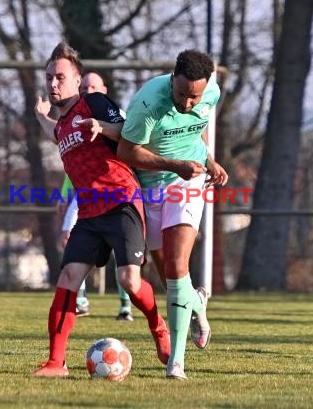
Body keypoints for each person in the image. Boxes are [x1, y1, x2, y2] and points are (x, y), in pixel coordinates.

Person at [32, 42, 170, 377]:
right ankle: (56, 362)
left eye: (60, 77)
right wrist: (40, 115)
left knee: (129, 280)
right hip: (89, 214)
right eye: (49, 77)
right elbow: (55, 133)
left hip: (121, 201)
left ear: (77, 80)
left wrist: (101, 127)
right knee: (68, 278)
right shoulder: (63, 124)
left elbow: (129, 132)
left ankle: (158, 326)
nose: (53, 84)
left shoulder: (92, 102)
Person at [117, 49, 228, 380]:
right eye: (182, 94)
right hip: (151, 184)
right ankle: (196, 303)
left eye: (195, 96)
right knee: (167, 274)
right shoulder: (149, 102)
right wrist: (171, 165)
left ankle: (176, 362)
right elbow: (126, 151)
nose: (188, 103)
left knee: (179, 266)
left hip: (188, 182)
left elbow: (198, 127)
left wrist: (208, 161)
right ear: (172, 79)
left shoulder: (212, 92)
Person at [35, 71, 134, 322]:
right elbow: (70, 156)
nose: (90, 90)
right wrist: (65, 195)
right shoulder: (72, 118)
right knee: (68, 248)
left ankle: (128, 307)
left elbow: (131, 142)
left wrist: (102, 127)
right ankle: (80, 301)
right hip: (85, 198)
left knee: (127, 269)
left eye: (94, 86)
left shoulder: (109, 111)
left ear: (104, 88)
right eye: (87, 86)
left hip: (119, 196)